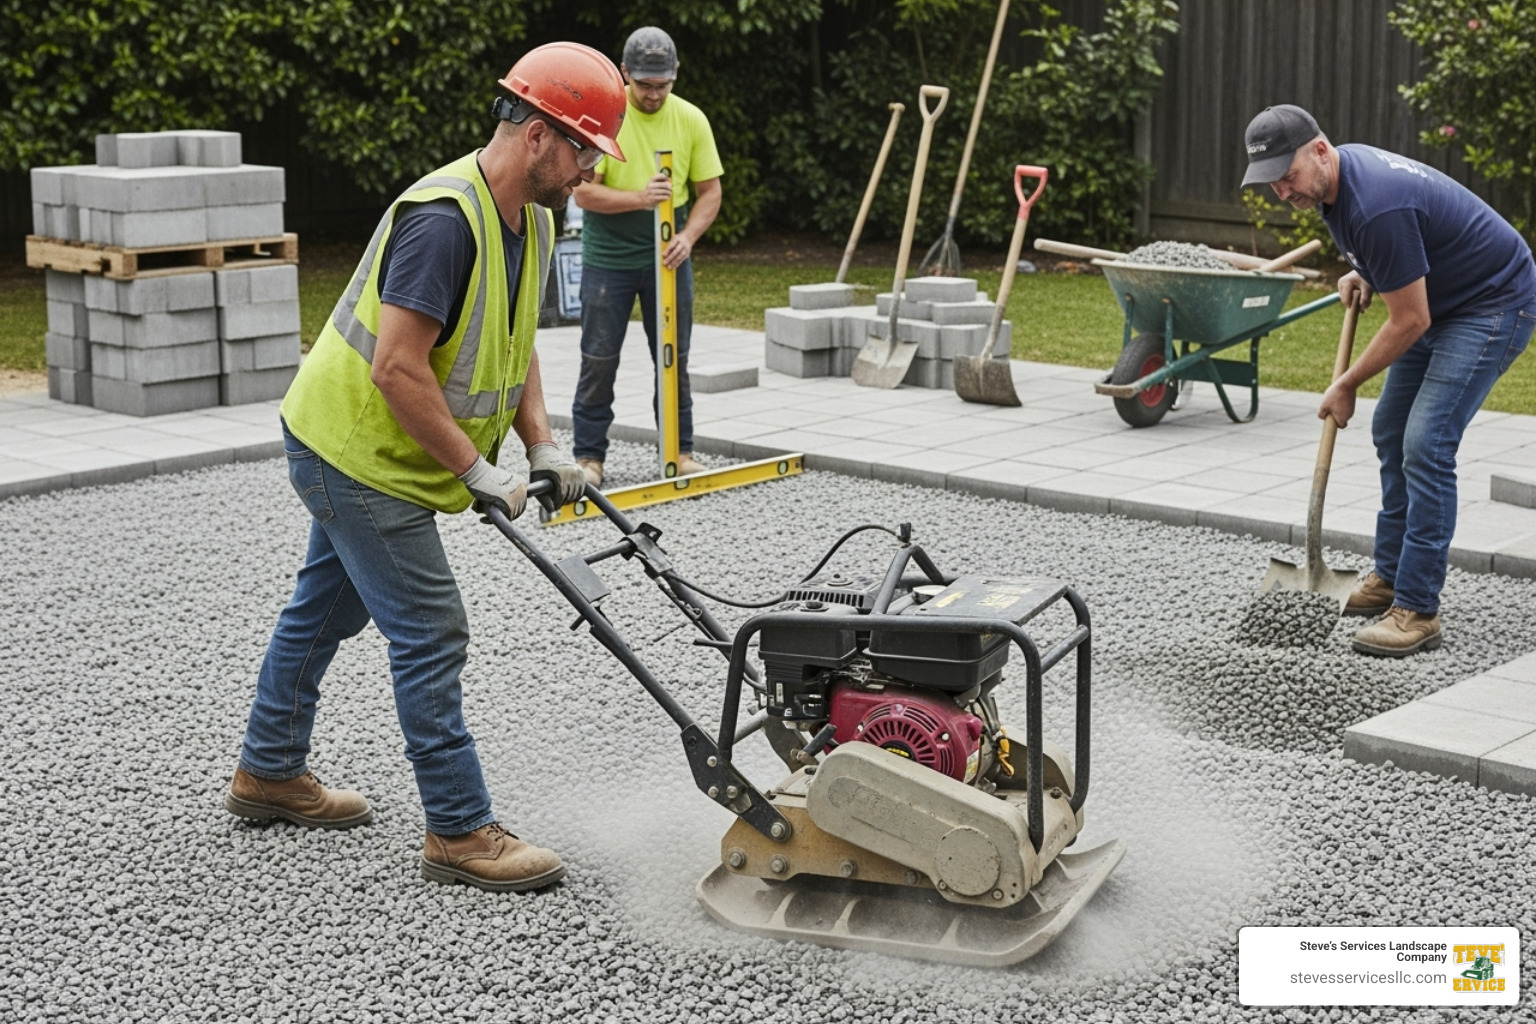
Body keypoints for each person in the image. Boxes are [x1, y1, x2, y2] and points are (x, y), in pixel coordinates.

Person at [225, 42, 628, 891]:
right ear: (537, 136)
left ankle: (267, 772)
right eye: (585, 147)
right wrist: (474, 471)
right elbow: (397, 368)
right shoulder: (444, 219)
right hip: (355, 451)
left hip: (387, 451)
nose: (590, 167)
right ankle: (459, 829)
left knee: (324, 608)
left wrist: (541, 445)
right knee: (431, 628)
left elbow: (513, 347)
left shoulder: (540, 220)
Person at [1242, 104, 1536, 657]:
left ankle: (1419, 608)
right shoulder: (1336, 187)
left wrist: (1347, 383)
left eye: (1288, 176)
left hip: (1492, 303)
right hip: (1444, 300)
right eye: (1273, 182)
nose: (1284, 191)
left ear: (1321, 150)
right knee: (1390, 432)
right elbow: (1405, 256)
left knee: (1426, 442)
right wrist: (1366, 271)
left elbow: (1411, 320)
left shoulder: (1375, 202)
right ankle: (1392, 574)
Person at [570, 26, 724, 488]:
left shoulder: (691, 119)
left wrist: (689, 236)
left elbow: (710, 192)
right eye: (644, 85)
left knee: (673, 355)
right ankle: (589, 458)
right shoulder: (603, 117)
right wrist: (640, 198)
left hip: (669, 257)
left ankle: (680, 450)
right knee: (599, 356)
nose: (654, 95)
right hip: (608, 256)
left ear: (675, 76)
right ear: (624, 74)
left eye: (663, 85)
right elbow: (581, 192)